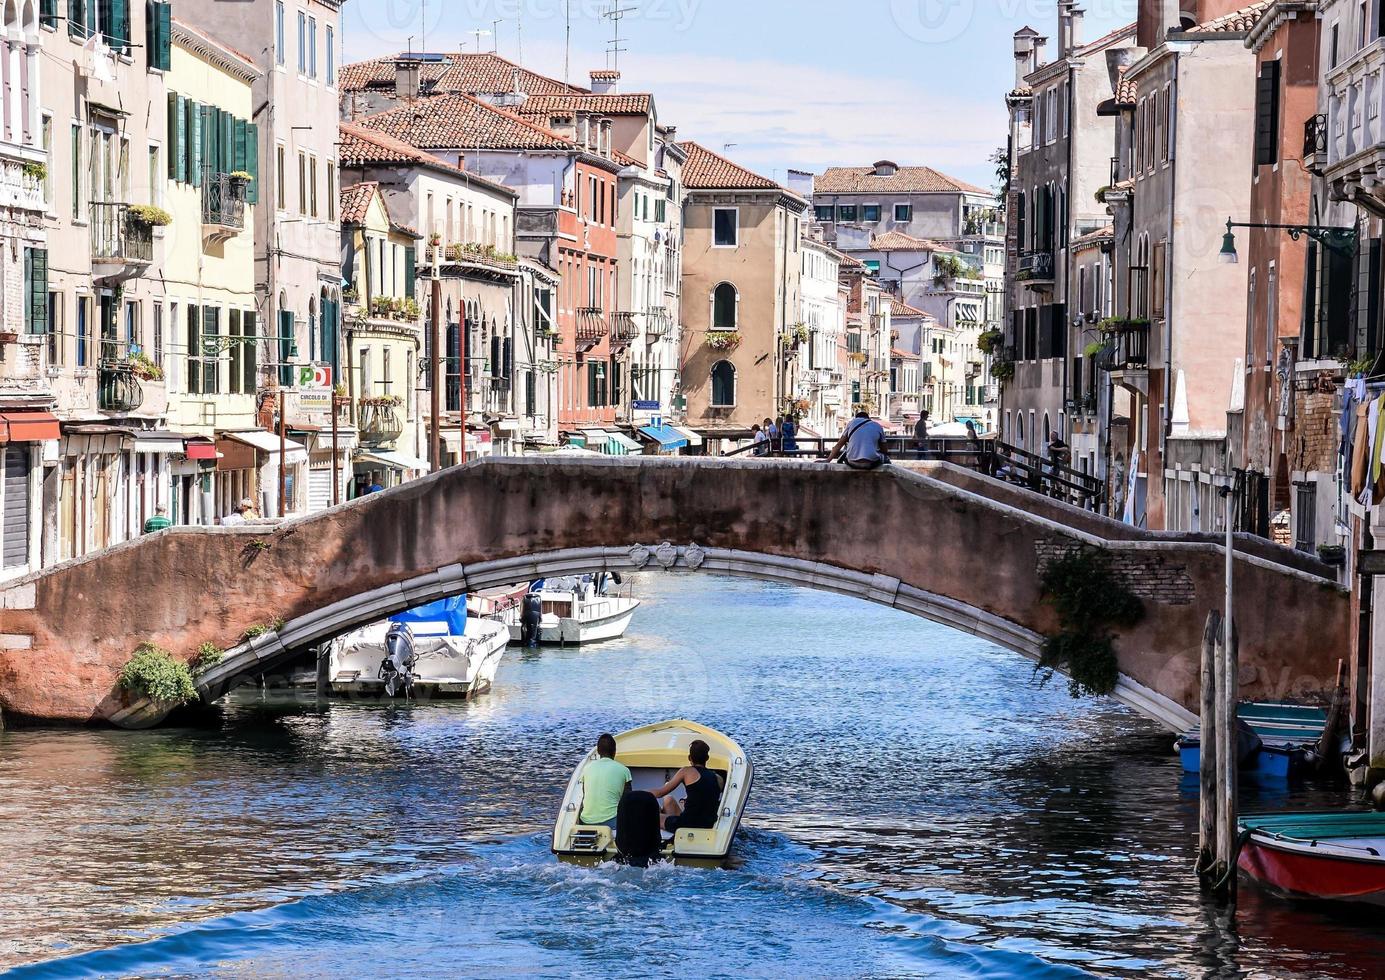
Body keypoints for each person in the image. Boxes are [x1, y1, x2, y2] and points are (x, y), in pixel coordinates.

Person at [650, 738, 723, 833]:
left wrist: (638, 793)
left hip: (688, 823)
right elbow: (706, 796)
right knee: (668, 799)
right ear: (707, 758)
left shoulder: (686, 771)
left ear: (689, 758)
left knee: (651, 815)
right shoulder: (718, 778)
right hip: (707, 824)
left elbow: (660, 793)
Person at [579, 733, 632, 833]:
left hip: (586, 821)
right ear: (615, 751)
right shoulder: (624, 770)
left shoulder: (586, 769)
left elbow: (584, 795)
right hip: (612, 821)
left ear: (598, 751)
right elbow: (628, 801)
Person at [823, 410, 889, 470]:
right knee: (885, 458)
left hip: (853, 463)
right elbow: (884, 450)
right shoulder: (877, 426)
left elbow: (839, 445)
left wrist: (828, 460)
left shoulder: (852, 423)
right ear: (868, 418)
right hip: (871, 463)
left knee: (846, 452)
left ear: (856, 418)